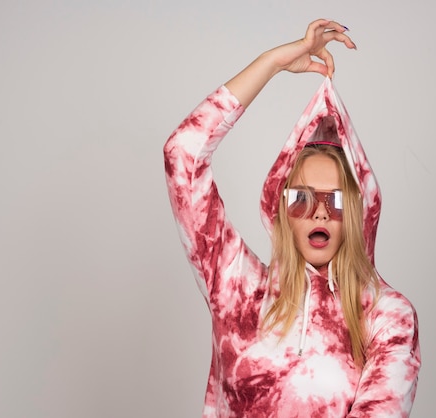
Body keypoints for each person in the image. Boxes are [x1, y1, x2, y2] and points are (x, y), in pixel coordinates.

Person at [164, 19, 421, 418]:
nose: (319, 210)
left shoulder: (386, 315)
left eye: (334, 200)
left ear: (355, 212)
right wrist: (272, 63)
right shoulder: (238, 288)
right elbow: (183, 155)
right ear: (281, 208)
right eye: (302, 197)